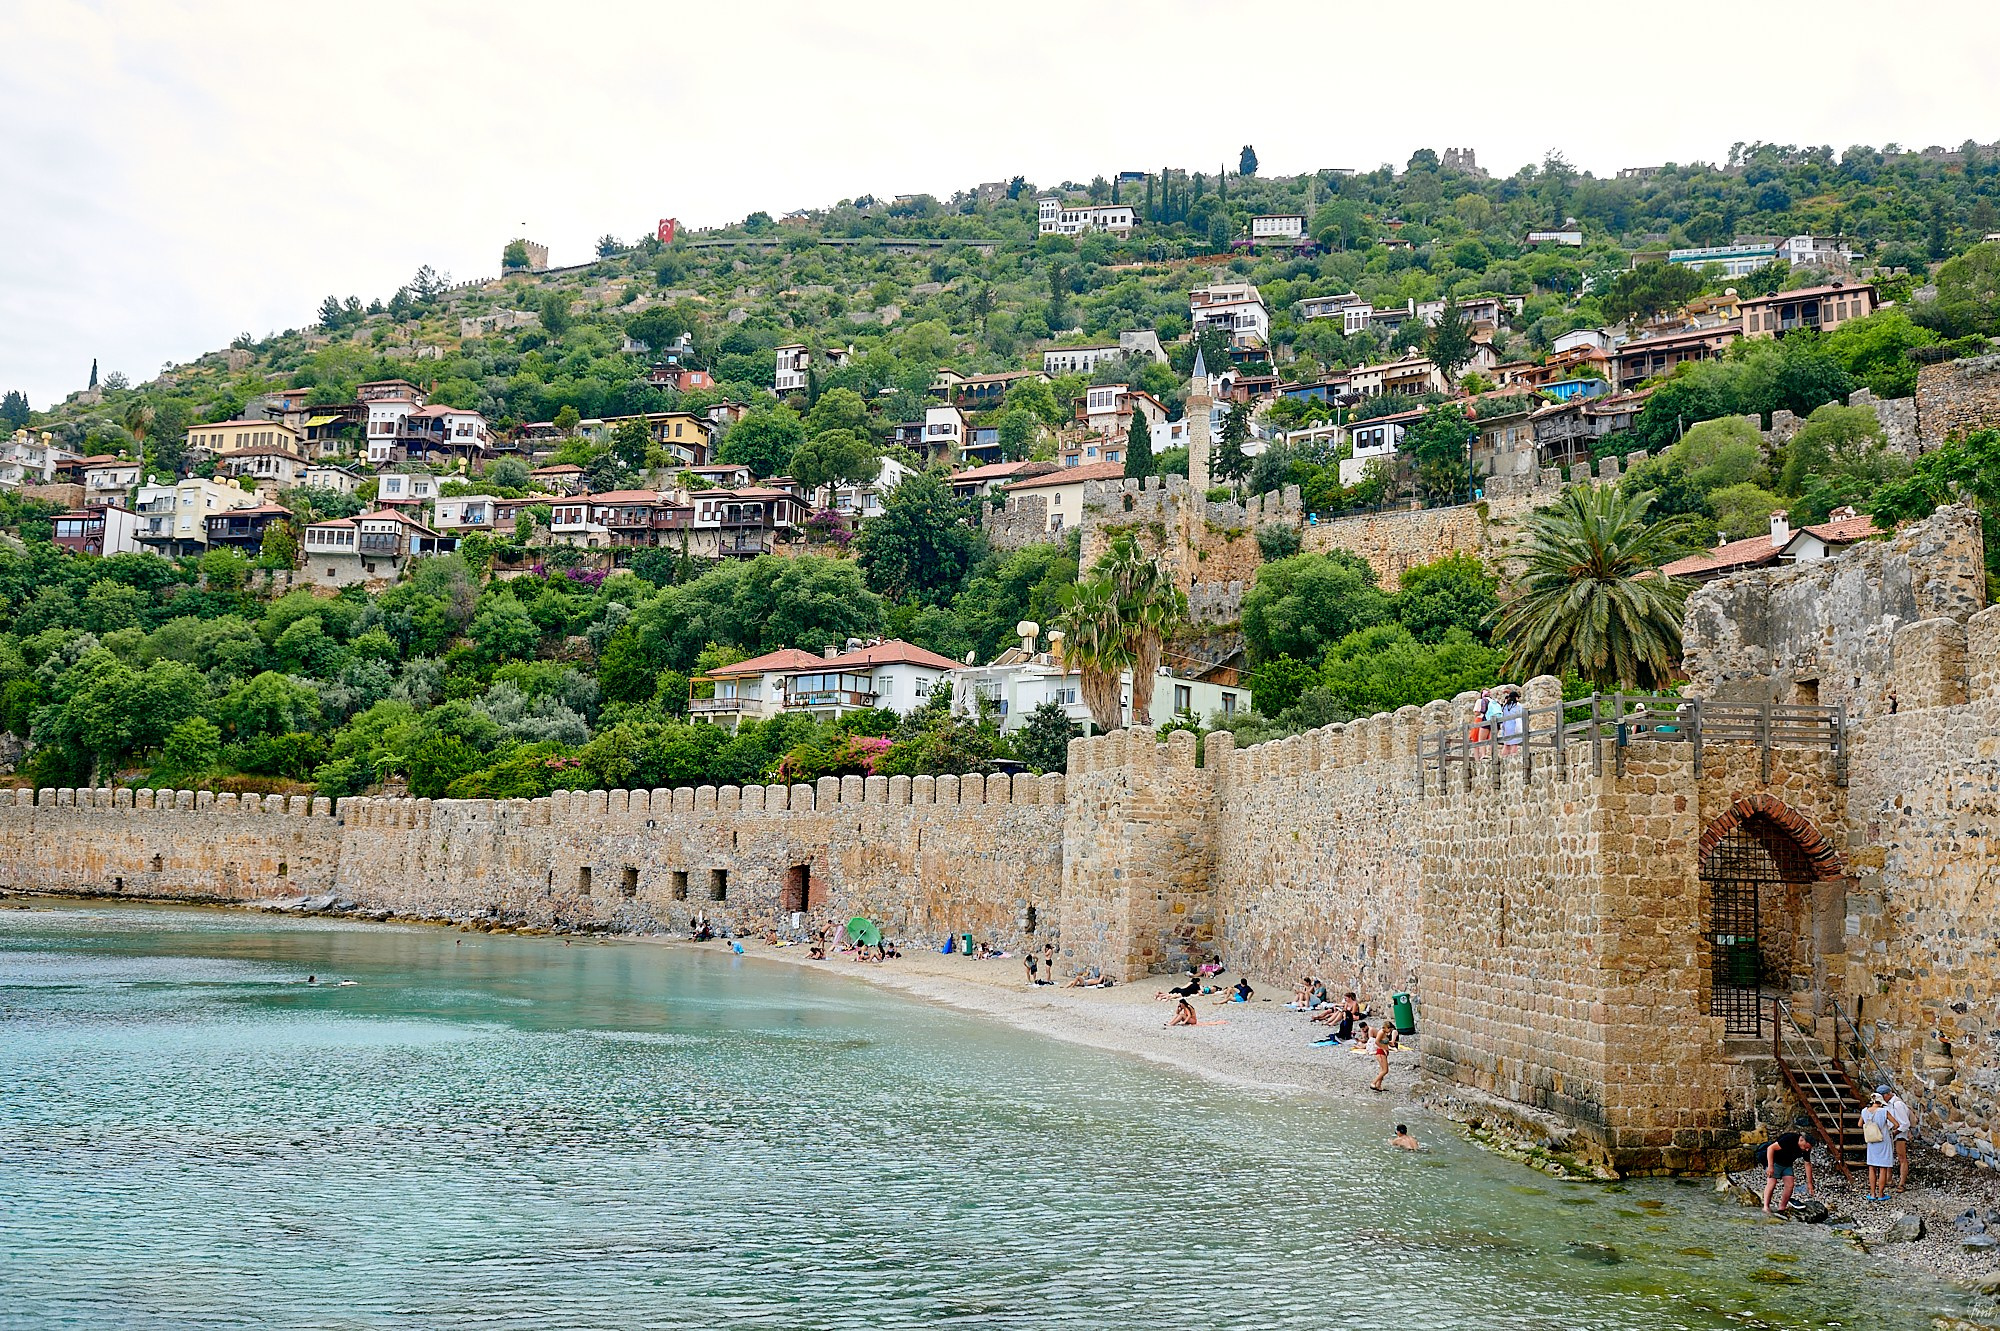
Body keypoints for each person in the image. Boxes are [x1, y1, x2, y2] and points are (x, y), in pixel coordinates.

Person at [1759, 1120, 1817, 1215]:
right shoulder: (1789, 1138)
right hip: (1775, 1161)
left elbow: (1807, 1164)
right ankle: (1766, 1207)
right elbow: (1771, 1148)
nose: (1807, 1150)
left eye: (1808, 1149)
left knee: (1790, 1185)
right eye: (1806, 1147)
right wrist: (1770, 1166)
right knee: (1772, 1183)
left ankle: (1782, 1207)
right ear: (1802, 1140)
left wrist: (1810, 1183)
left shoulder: (1806, 1149)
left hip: (1787, 1164)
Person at [1861, 1095, 1897, 1202]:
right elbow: (1896, 1124)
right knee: (1883, 1168)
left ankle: (1872, 1193)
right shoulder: (1883, 1111)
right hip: (1883, 1140)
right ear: (1880, 1102)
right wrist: (1889, 1129)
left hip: (1871, 1141)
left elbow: (1860, 1124)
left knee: (1872, 1167)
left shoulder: (1864, 1111)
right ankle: (1881, 1194)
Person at [1879, 1083, 1912, 1193]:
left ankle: (1901, 1183)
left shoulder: (1897, 1104)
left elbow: (1905, 1123)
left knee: (1902, 1157)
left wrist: (1895, 1132)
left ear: (1888, 1094)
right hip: (1891, 1132)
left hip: (1900, 1133)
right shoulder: (1887, 1104)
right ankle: (1889, 1179)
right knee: (1888, 1156)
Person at [1368, 1024, 1391, 1092]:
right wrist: (1384, 1049)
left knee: (1382, 1070)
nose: (1389, 1030)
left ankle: (1378, 1085)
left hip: (1384, 1052)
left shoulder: (1384, 1033)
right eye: (1389, 1028)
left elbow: (1384, 1042)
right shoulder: (1381, 1032)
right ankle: (1373, 1083)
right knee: (1385, 1070)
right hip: (1381, 1052)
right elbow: (1376, 1042)